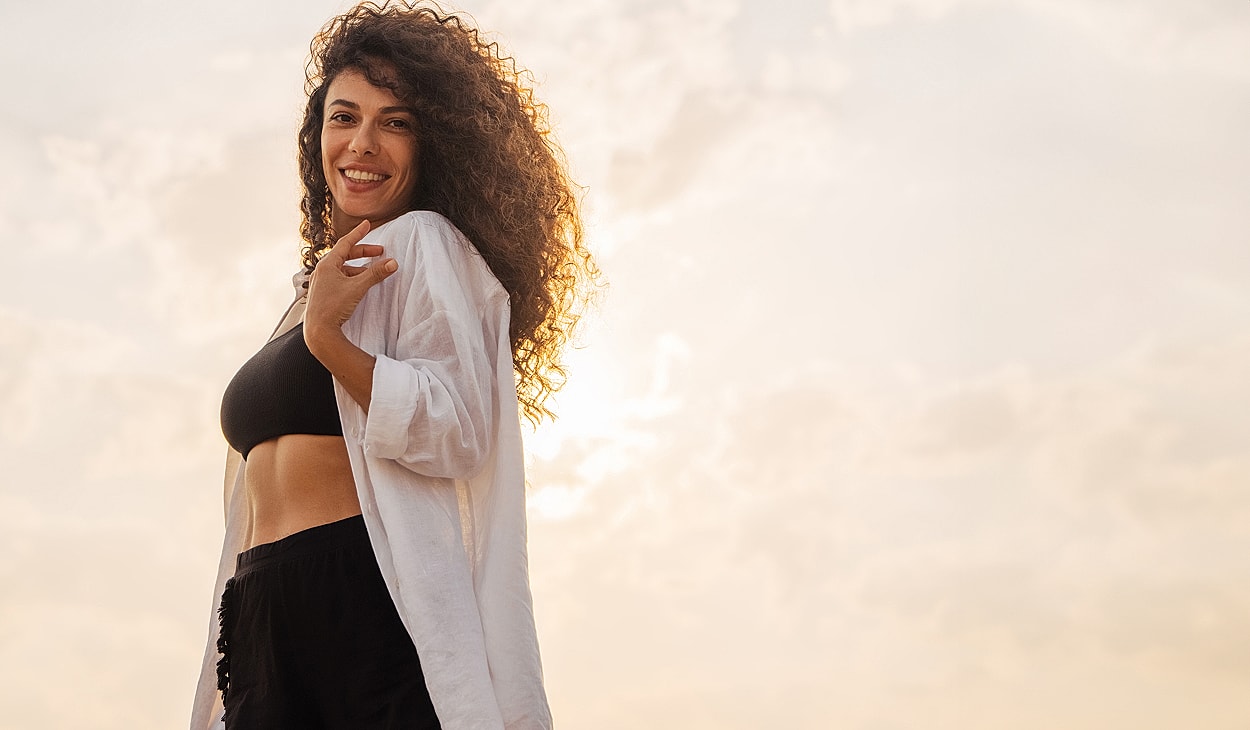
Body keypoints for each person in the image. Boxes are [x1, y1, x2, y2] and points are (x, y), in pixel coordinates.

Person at [190, 2, 597, 728]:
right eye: (344, 117)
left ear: (434, 142)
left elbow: (457, 429)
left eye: (396, 122)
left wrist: (330, 344)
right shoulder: (316, 289)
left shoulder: (426, 245)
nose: (363, 143)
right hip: (260, 612)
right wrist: (314, 320)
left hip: (360, 598)